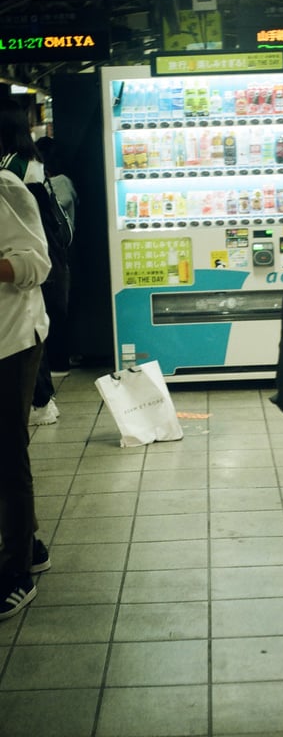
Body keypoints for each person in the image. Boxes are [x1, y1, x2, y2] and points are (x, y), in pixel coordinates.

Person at [0, 155, 52, 620]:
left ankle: (16, 571)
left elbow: (37, 265)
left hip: (11, 340)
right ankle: (28, 544)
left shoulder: (7, 189)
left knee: (7, 452)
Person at [0, 100, 61, 425]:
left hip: (28, 277)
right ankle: (43, 400)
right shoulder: (32, 161)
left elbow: (29, 258)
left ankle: (41, 400)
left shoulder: (9, 175)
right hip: (46, 260)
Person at [35, 136, 78, 374]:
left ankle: (58, 361)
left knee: (54, 309)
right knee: (61, 307)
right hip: (66, 253)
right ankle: (63, 358)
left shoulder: (50, 186)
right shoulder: (66, 182)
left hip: (53, 253)